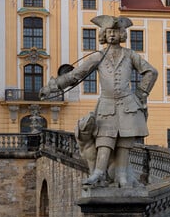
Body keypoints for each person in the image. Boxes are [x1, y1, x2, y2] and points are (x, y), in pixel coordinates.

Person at [41, 15, 158, 187]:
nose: (112, 35)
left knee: (124, 142)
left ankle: (123, 176)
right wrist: (53, 86)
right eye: (109, 32)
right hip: (107, 103)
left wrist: (141, 93)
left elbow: (151, 72)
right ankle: (98, 173)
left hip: (127, 103)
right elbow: (75, 75)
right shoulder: (98, 57)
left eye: (116, 32)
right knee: (105, 139)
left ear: (122, 35)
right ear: (103, 34)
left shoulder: (130, 55)